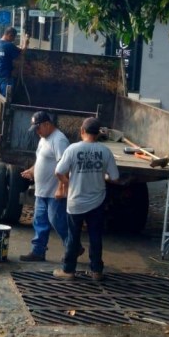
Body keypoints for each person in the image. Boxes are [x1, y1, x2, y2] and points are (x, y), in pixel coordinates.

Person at [53, 117, 119, 281]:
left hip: (76, 202)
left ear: (82, 130)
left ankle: (69, 271)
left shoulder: (73, 149)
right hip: (97, 202)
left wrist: (68, 183)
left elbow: (58, 171)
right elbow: (115, 177)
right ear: (98, 134)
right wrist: (102, 176)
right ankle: (97, 271)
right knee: (95, 236)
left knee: (73, 236)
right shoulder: (105, 151)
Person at [18, 110, 71, 263]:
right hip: (42, 191)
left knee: (58, 222)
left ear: (47, 124)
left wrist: (61, 188)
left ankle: (73, 247)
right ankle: (38, 251)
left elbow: (65, 166)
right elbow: (41, 159)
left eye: (38, 128)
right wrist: (32, 170)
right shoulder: (43, 139)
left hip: (54, 192)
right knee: (39, 221)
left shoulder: (59, 140)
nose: (37, 132)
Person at [0, 26, 28, 96]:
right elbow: (22, 53)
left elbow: (13, 49)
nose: (13, 40)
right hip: (5, 78)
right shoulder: (9, 46)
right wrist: (25, 43)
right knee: (6, 98)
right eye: (13, 37)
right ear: (10, 35)